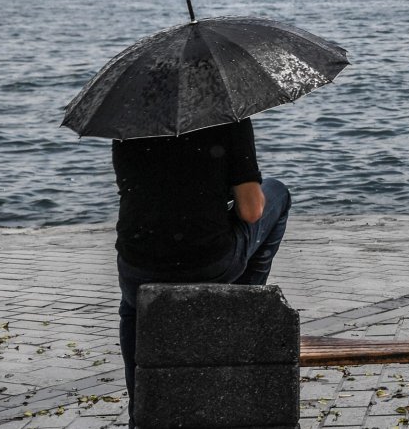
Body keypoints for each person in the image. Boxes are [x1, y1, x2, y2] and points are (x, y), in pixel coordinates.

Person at [112, 118, 291, 426]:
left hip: (138, 265)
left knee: (134, 303)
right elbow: (251, 211)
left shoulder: (129, 124)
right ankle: (242, 303)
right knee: (278, 193)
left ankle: (140, 407)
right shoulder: (228, 121)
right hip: (208, 262)